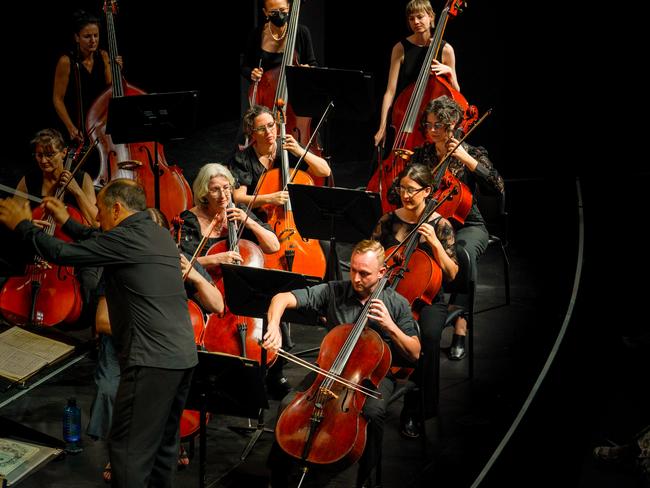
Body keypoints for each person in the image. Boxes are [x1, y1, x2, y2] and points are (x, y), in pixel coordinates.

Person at [0, 179, 198, 488]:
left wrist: (24, 226)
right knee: (163, 447)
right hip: (182, 359)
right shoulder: (157, 234)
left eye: (100, 208)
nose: (96, 214)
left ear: (117, 209)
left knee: (128, 450)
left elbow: (62, 254)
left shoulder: (126, 239)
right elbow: (97, 236)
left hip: (150, 361)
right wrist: (69, 222)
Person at [262, 239, 421, 487]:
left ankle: (366, 477)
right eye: (353, 270)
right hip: (330, 368)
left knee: (373, 413)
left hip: (372, 376)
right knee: (286, 404)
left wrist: (390, 325)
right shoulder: (334, 290)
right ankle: (279, 474)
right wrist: (274, 327)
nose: (356, 278)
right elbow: (281, 298)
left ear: (382, 273)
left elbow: (414, 353)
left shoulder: (396, 303)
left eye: (364, 274)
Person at [88, 207, 223, 482]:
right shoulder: (123, 262)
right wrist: (150, 327)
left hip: (169, 354)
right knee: (110, 388)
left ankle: (160, 449)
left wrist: (194, 276)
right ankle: (124, 455)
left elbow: (218, 305)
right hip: (128, 348)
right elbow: (102, 322)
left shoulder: (180, 261)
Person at [229, 105, 331, 397]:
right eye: (262, 128)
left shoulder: (288, 153)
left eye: (272, 125)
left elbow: (324, 171)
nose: (269, 132)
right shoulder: (243, 159)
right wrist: (270, 197)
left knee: (327, 247)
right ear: (252, 132)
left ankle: (322, 308)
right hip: (260, 228)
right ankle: (273, 367)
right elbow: (237, 196)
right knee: (266, 287)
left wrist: (298, 149)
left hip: (291, 229)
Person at [394, 94, 504, 360]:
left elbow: (497, 186)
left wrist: (466, 159)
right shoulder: (423, 153)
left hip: (467, 223)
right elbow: (399, 191)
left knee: (463, 255)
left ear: (453, 124)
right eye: (428, 125)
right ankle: (409, 318)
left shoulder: (473, 152)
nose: (431, 131)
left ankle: (460, 327)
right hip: (431, 219)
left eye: (438, 126)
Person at [372, 164, 458, 438]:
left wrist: (434, 244)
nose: (405, 195)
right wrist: (386, 257)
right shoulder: (388, 220)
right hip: (392, 290)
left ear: (428, 191)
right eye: (402, 189)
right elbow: (370, 256)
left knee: (429, 337)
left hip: (429, 297)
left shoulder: (441, 225)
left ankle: (417, 410)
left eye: (412, 190)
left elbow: (453, 273)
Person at [14, 128, 100, 327]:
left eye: (50, 154)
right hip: (38, 248)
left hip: (75, 248)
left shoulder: (81, 178)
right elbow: (14, 214)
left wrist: (77, 192)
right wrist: (26, 223)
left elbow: (95, 222)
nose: (43, 161)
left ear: (63, 152)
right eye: (39, 155)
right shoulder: (29, 180)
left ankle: (90, 328)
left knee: (90, 282)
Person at [374, 0, 460, 148]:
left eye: (420, 16)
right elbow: (390, 91)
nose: (416, 21)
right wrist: (382, 127)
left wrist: (450, 73)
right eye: (411, 18)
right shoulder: (400, 48)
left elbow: (456, 94)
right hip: (406, 121)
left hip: (435, 123)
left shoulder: (446, 50)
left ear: (431, 17)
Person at [52, 9, 122, 181]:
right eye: (87, 36)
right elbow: (57, 99)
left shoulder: (104, 56)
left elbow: (110, 90)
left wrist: (117, 70)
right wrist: (70, 127)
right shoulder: (67, 61)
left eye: (96, 36)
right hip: (78, 127)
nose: (93, 41)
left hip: (100, 126)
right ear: (77, 37)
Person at [241, 0, 317, 99]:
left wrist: (308, 69)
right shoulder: (256, 34)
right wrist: (252, 73)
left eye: (282, 10)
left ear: (289, 7)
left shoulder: (302, 32)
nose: (279, 15)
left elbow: (313, 64)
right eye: (273, 12)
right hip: (265, 96)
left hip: (294, 95)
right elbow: (245, 66)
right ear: (265, 12)